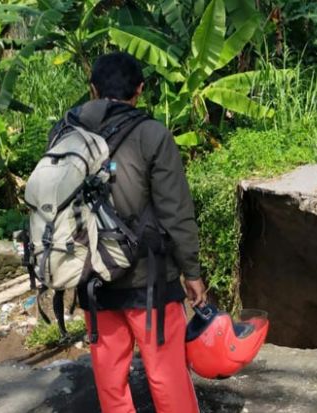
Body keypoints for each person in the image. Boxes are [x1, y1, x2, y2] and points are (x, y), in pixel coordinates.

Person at [50, 52, 207, 413]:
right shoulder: (152, 133)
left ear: (93, 89)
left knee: (109, 376)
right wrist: (192, 273)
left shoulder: (64, 131)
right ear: (139, 90)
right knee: (166, 374)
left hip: (90, 274)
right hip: (148, 277)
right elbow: (176, 211)